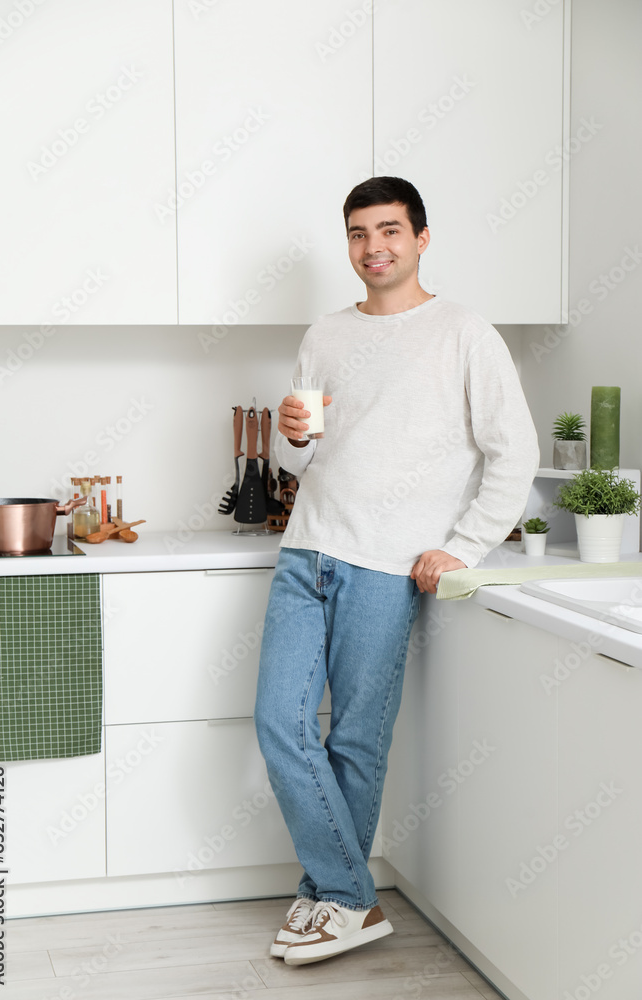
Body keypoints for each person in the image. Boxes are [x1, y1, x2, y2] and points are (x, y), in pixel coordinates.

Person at [254, 176, 539, 966]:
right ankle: (347, 894)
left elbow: (513, 451)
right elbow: (295, 456)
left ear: (419, 237)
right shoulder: (325, 333)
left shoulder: (463, 333)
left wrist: (468, 544)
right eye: (356, 233)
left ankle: (330, 896)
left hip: (387, 565)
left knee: (353, 740)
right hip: (307, 549)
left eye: (387, 230)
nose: (371, 246)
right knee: (279, 723)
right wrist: (292, 435)